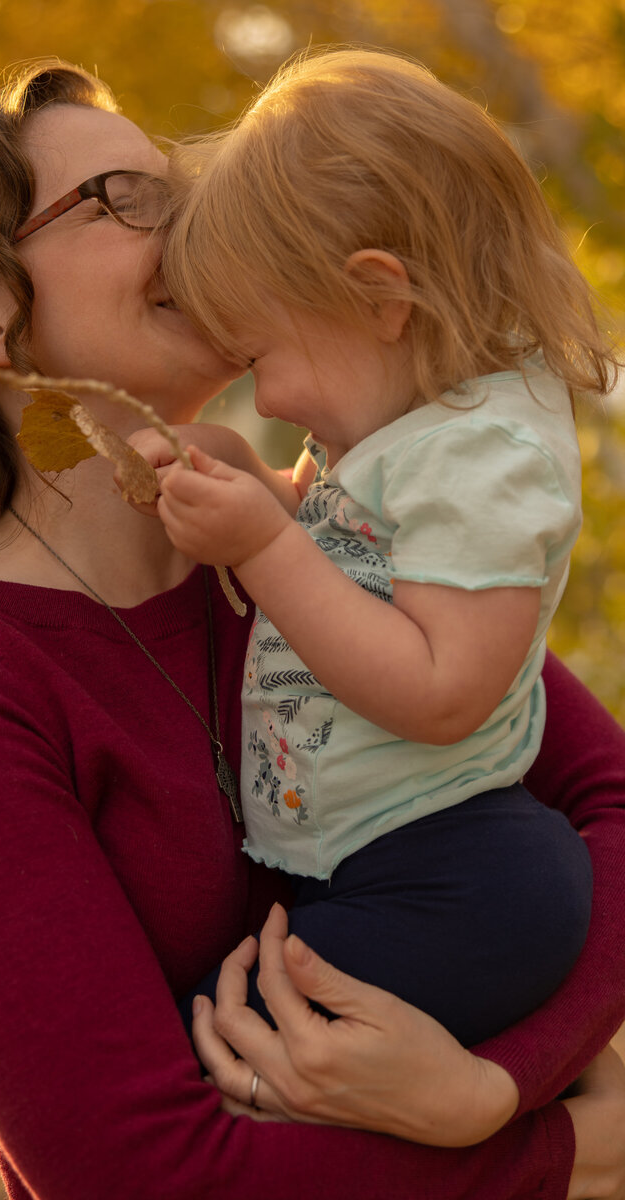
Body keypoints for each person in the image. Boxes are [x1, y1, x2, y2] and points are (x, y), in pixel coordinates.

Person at [0, 57, 624, 1200]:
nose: (194, 215)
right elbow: (129, 1171)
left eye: (176, 179)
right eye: (120, 199)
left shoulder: (307, 536)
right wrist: (552, 1140)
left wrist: (488, 1088)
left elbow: (607, 800)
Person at [130, 46, 615, 1048]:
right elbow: (336, 545)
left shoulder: (483, 456)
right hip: (385, 865)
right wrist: (241, 482)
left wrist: (259, 541)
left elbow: (442, 691)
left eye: (260, 357)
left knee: (214, 1047)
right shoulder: (395, 419)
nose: (263, 400)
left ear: (379, 297)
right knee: (238, 1036)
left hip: (458, 882)